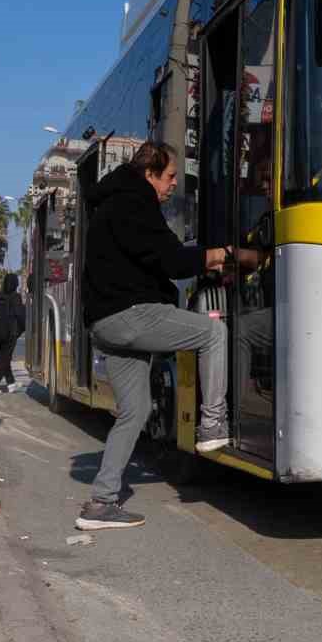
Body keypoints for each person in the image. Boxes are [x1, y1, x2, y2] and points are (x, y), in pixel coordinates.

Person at [74, 140, 255, 532]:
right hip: (132, 316)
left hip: (106, 325)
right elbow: (172, 261)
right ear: (149, 172)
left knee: (135, 411)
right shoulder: (135, 203)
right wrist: (222, 254)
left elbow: (152, 258)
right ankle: (212, 426)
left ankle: (100, 504)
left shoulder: (111, 203)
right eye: (170, 176)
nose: (175, 184)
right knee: (213, 332)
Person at [0, 273, 27, 394]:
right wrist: (23, 328)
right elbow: (20, 315)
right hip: (10, 333)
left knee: (4, 359)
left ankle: (11, 384)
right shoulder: (16, 297)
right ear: (15, 284)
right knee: (4, 359)